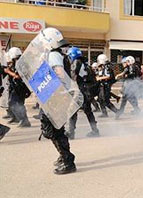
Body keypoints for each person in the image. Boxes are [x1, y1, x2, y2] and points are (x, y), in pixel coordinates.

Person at [39, 27, 76, 174]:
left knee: (53, 130)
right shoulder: (58, 53)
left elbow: (60, 74)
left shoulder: (54, 54)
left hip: (55, 97)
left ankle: (68, 160)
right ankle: (65, 156)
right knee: (55, 129)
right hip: (57, 96)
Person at [66, 47, 100, 139]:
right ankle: (95, 130)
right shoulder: (83, 63)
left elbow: (73, 76)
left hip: (82, 91)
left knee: (72, 110)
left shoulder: (77, 62)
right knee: (88, 112)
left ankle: (71, 133)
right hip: (86, 91)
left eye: (69, 56)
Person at [4, 47, 31, 127]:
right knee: (15, 103)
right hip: (15, 86)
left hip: (20, 87)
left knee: (15, 103)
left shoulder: (21, 63)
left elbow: (18, 76)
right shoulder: (16, 62)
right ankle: (16, 118)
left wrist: (8, 71)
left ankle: (24, 120)